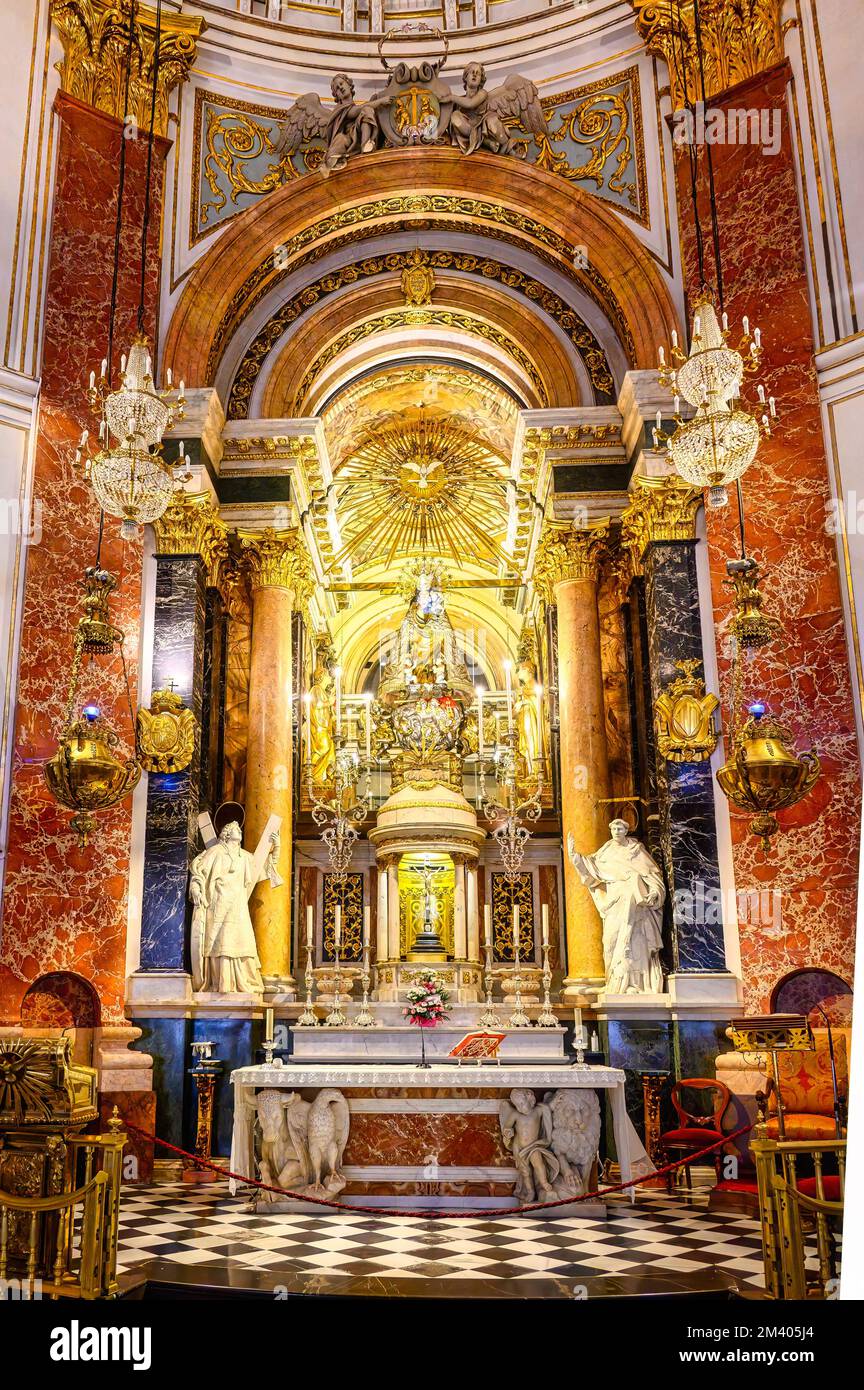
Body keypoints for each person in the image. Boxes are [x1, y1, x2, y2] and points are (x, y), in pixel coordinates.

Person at [568, 819, 665, 994]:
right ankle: (614, 981)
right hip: (614, 901)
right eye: (613, 828)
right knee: (610, 941)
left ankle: (634, 984)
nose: (617, 831)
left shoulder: (636, 851)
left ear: (626, 830)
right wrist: (574, 857)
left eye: (620, 828)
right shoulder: (606, 852)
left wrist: (654, 892)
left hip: (636, 903)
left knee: (634, 941)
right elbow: (591, 871)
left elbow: (653, 875)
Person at [189, 821, 278, 994]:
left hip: (237, 906)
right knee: (219, 940)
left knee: (241, 939)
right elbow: (199, 872)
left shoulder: (244, 856)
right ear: (226, 833)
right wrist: (196, 889)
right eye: (236, 829)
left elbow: (266, 869)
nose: (240, 831)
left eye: (239, 829)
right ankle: (220, 983)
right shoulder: (215, 852)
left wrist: (277, 848)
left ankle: (241, 981)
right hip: (219, 903)